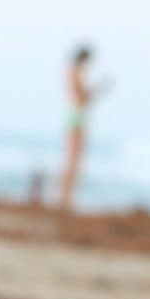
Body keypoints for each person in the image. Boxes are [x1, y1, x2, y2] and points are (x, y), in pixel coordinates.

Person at [56, 44, 109, 212]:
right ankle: (65, 199)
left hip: (75, 116)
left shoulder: (71, 72)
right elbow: (84, 98)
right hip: (78, 117)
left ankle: (65, 198)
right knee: (74, 161)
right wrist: (100, 89)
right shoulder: (77, 73)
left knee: (71, 160)